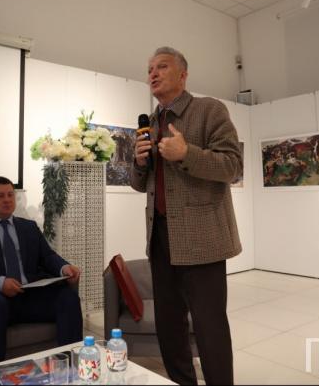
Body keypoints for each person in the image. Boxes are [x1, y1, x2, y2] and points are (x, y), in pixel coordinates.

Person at [132, 47, 243, 385]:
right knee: (169, 325)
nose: (152, 73)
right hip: (160, 237)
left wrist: (186, 153)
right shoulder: (150, 123)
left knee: (209, 326)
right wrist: (138, 162)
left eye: (161, 67)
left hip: (202, 237)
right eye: (149, 68)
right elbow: (139, 183)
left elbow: (233, 166)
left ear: (183, 75)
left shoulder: (209, 110)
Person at [0, 176, 83, 366]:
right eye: (0, 196)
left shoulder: (29, 227)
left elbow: (47, 256)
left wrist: (64, 267)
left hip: (32, 295)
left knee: (68, 298)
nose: (7, 200)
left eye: (10, 195)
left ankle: (69, 366)